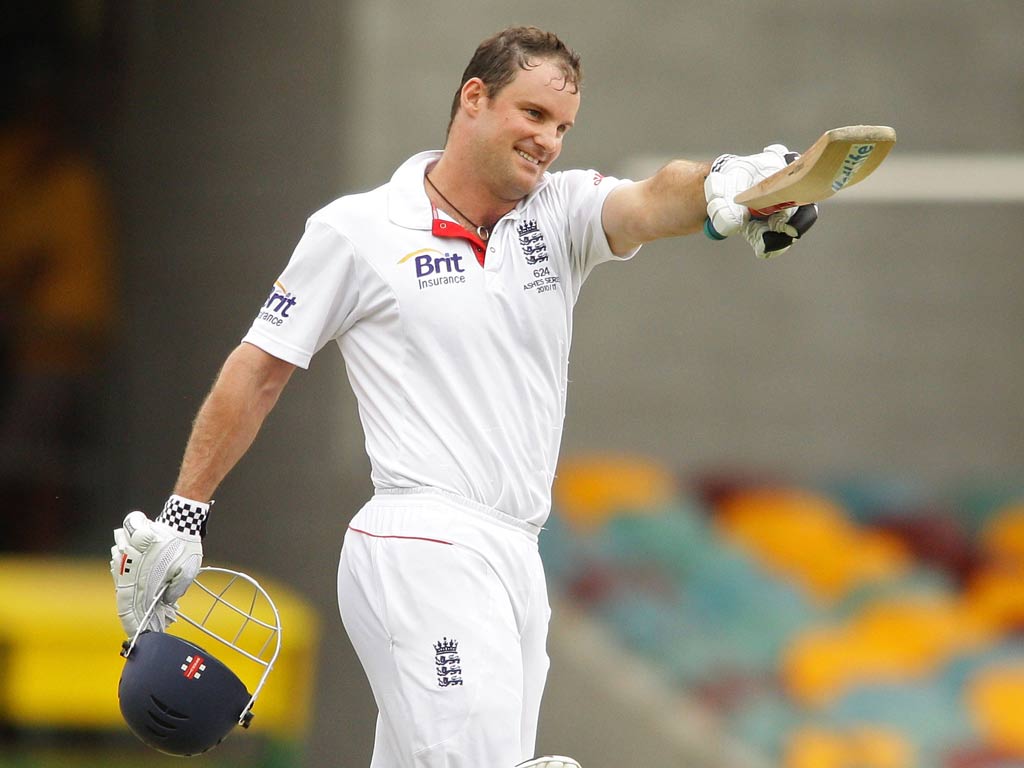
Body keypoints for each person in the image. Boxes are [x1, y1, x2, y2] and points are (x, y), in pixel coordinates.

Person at [110, 26, 816, 768]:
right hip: (421, 541)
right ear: (473, 99)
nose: (549, 141)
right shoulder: (358, 231)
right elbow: (258, 371)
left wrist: (727, 182)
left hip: (516, 555)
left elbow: (651, 198)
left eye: (563, 127)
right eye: (534, 114)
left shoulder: (561, 214)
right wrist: (184, 514)